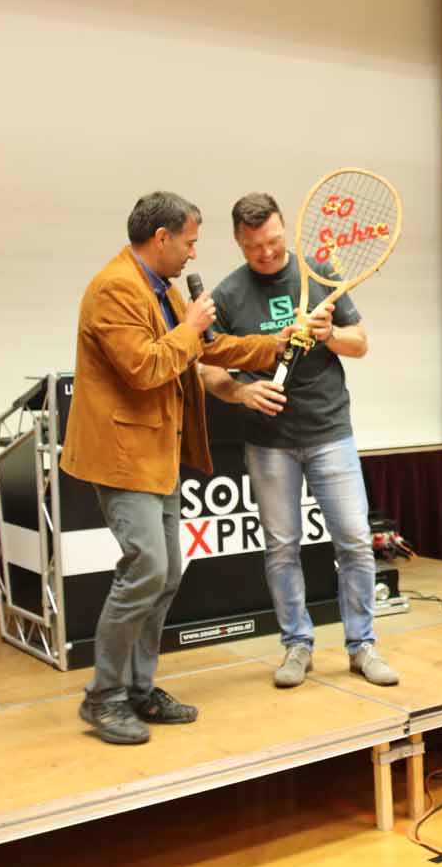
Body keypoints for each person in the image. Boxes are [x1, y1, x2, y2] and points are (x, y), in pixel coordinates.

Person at [62, 191, 289, 745]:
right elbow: (145, 367)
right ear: (161, 237)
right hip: (123, 458)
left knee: (165, 575)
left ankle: (139, 689)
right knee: (145, 569)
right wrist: (189, 325)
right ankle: (103, 697)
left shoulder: (160, 286)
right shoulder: (115, 288)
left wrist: (274, 345)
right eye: (189, 241)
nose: (193, 253)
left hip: (157, 454)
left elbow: (208, 348)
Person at [200, 192, 398, 690]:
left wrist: (329, 335)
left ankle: (362, 645)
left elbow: (361, 343)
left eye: (272, 241)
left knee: (355, 541)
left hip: (330, 431)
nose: (266, 253)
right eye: (253, 247)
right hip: (268, 442)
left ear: (283, 229)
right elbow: (207, 369)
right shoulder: (228, 295)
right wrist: (241, 393)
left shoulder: (320, 273)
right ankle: (296, 645)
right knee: (282, 547)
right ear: (238, 241)